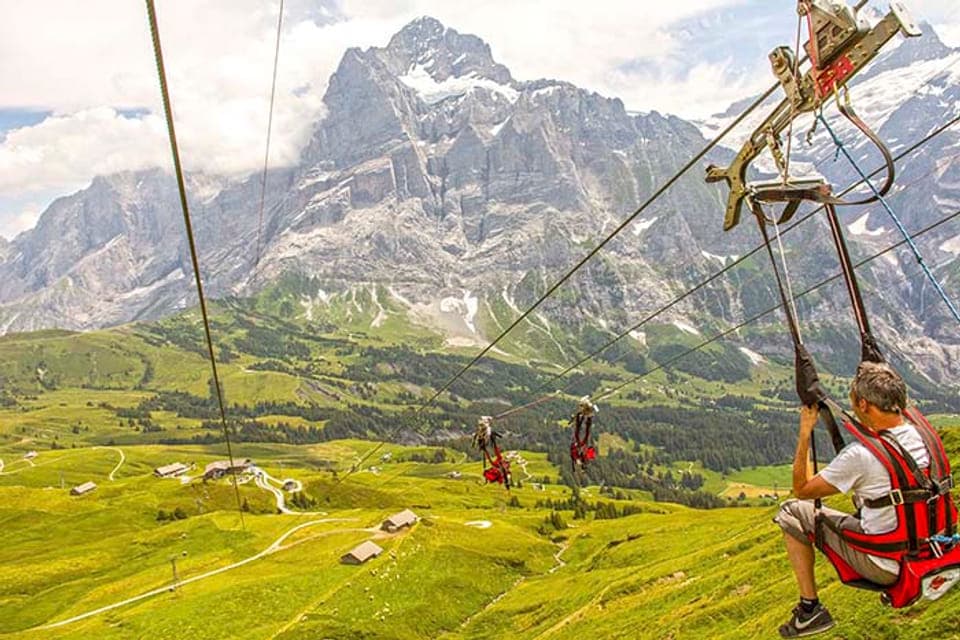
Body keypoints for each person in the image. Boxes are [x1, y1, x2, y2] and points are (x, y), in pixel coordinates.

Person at [774, 361, 930, 637]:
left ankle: (810, 610)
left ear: (864, 404)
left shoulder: (862, 455)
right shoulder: (922, 434)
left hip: (886, 561)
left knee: (792, 511)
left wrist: (805, 433)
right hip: (930, 549)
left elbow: (803, 489)